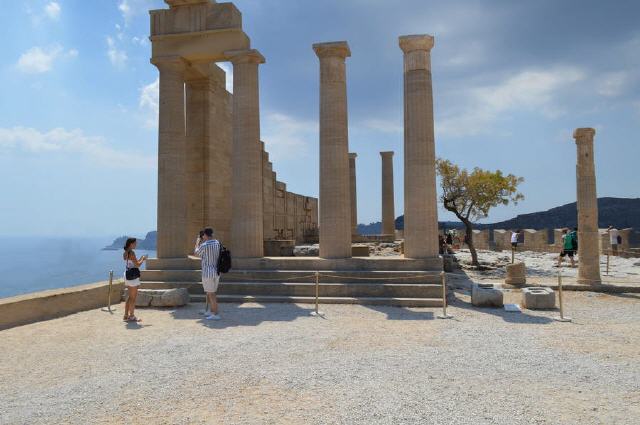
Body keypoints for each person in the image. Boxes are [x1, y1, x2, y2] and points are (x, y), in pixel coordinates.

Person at [194, 228, 222, 320]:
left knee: (211, 294)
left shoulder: (204, 245)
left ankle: (215, 314)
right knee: (212, 293)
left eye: (203, 235)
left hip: (208, 272)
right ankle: (211, 311)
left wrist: (197, 242)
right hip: (216, 271)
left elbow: (196, 253)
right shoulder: (217, 243)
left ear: (205, 235)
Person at [123, 238, 147, 322]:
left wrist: (140, 258)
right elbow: (137, 265)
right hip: (133, 277)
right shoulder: (132, 252)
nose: (136, 245)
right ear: (131, 244)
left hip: (127, 274)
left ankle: (126, 315)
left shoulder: (125, 253)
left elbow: (133, 263)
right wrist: (143, 259)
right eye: (135, 243)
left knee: (130, 296)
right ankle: (132, 316)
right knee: (133, 298)